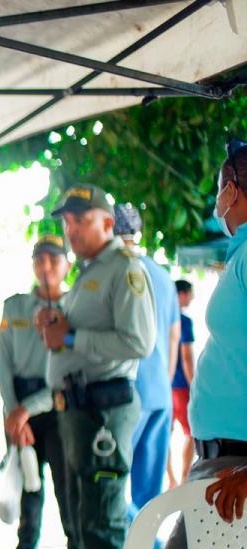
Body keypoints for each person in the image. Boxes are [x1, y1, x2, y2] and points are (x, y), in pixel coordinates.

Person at [38, 184, 156, 549]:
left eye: (80, 220)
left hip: (105, 411)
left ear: (108, 223)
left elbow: (138, 343)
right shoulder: (90, 273)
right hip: (81, 411)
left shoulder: (125, 269)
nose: (70, 230)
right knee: (88, 517)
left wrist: (71, 337)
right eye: (67, 221)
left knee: (104, 518)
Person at [144, 138, 247, 549]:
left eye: (218, 188)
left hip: (237, 468)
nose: (216, 200)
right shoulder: (240, 255)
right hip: (219, 463)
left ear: (231, 189)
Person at [0, 236, 88, 549]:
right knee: (28, 505)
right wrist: (14, 413)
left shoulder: (76, 308)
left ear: (65, 265)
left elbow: (70, 370)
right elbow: (2, 362)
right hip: (19, 413)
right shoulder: (15, 306)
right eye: (38, 259)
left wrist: (25, 411)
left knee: (70, 505)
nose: (45, 266)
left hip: (58, 410)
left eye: (53, 259)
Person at [114, 204, 181, 514]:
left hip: (127, 393)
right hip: (159, 393)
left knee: (113, 481)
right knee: (148, 491)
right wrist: (164, 386)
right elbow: (174, 336)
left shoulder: (116, 272)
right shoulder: (163, 276)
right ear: (137, 233)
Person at [168, 278, 197, 487]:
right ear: (181, 294)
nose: (192, 297)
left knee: (164, 435)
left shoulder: (161, 318)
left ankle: (171, 479)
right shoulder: (184, 321)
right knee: (192, 432)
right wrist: (194, 385)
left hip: (163, 386)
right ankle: (185, 476)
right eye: (190, 293)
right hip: (180, 387)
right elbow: (186, 357)